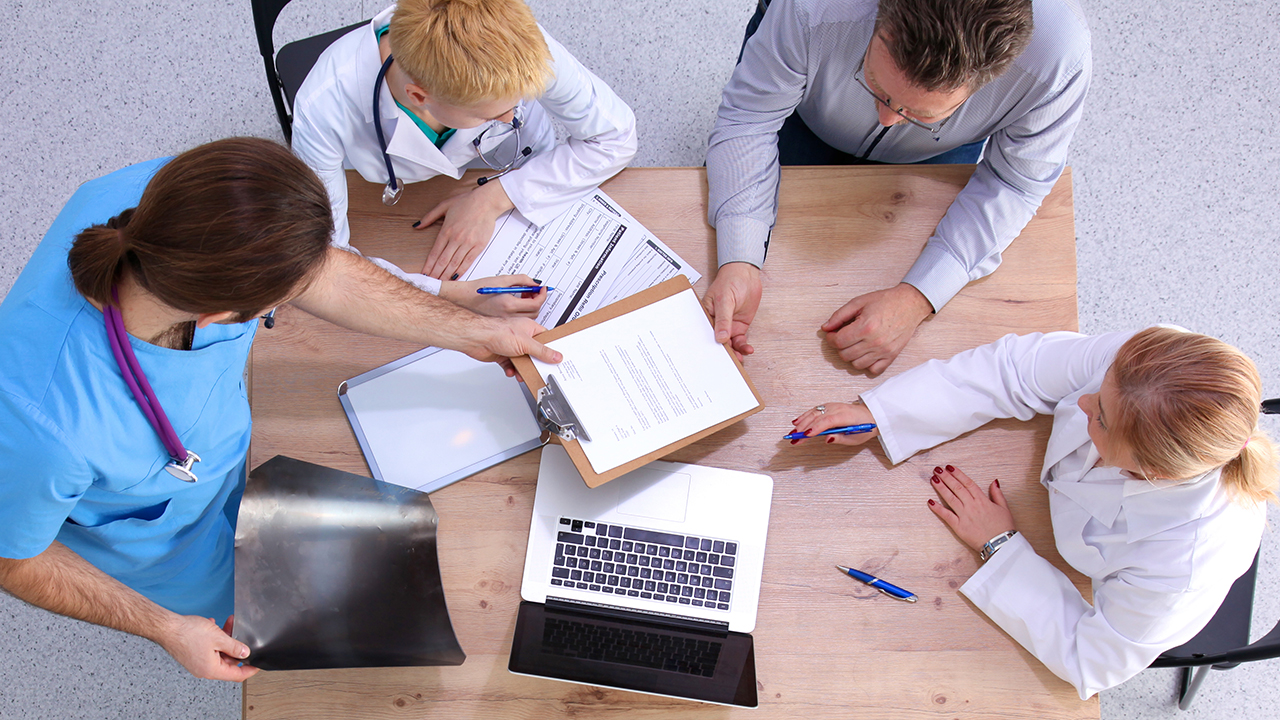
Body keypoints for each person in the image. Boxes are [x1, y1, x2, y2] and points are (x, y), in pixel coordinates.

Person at [0, 138, 561, 683]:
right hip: (163, 543)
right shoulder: (41, 424)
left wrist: (476, 332)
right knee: (259, 618)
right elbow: (14, 561)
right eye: (279, 302)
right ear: (221, 314)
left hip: (219, 454)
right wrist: (167, 629)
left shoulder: (188, 198)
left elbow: (328, 275)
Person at [790, 328, 1277, 698]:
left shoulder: (1185, 561)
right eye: (1100, 390)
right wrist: (885, 413)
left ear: (1151, 472)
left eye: (1099, 418)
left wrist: (1000, 547)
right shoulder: (1150, 367)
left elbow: (1092, 659)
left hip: (1118, 602)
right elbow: (1017, 370)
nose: (1082, 401)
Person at [704, 0, 1091, 373]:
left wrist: (919, 297)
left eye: (919, 112)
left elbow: (1014, 183)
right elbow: (750, 118)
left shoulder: (1059, 59)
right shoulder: (812, 7)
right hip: (805, 104)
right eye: (874, 82)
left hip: (936, 152)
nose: (888, 118)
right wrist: (739, 257)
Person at [291, 0, 638, 289]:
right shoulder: (324, 104)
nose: (511, 119)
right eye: (491, 114)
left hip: (519, 177)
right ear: (419, 97)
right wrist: (445, 296)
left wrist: (495, 197)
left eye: (517, 103)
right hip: (388, 207)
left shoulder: (516, 44)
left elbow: (617, 137)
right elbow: (326, 254)